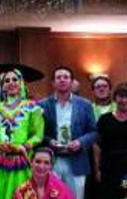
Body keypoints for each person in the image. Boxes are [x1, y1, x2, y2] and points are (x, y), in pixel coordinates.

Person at [0, 69, 44, 199]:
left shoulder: (32, 107)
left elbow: (38, 134)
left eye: (15, 79)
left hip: (21, 160)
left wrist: (24, 147)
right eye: (6, 81)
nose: (11, 83)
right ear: (2, 86)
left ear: (21, 83)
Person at [39, 67, 96, 199]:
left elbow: (93, 132)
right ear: (53, 83)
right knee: (50, 195)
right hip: (52, 159)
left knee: (75, 196)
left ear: (72, 82)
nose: (62, 80)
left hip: (76, 159)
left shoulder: (85, 105)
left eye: (66, 77)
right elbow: (37, 133)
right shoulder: (42, 105)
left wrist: (80, 142)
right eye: (58, 77)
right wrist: (49, 141)